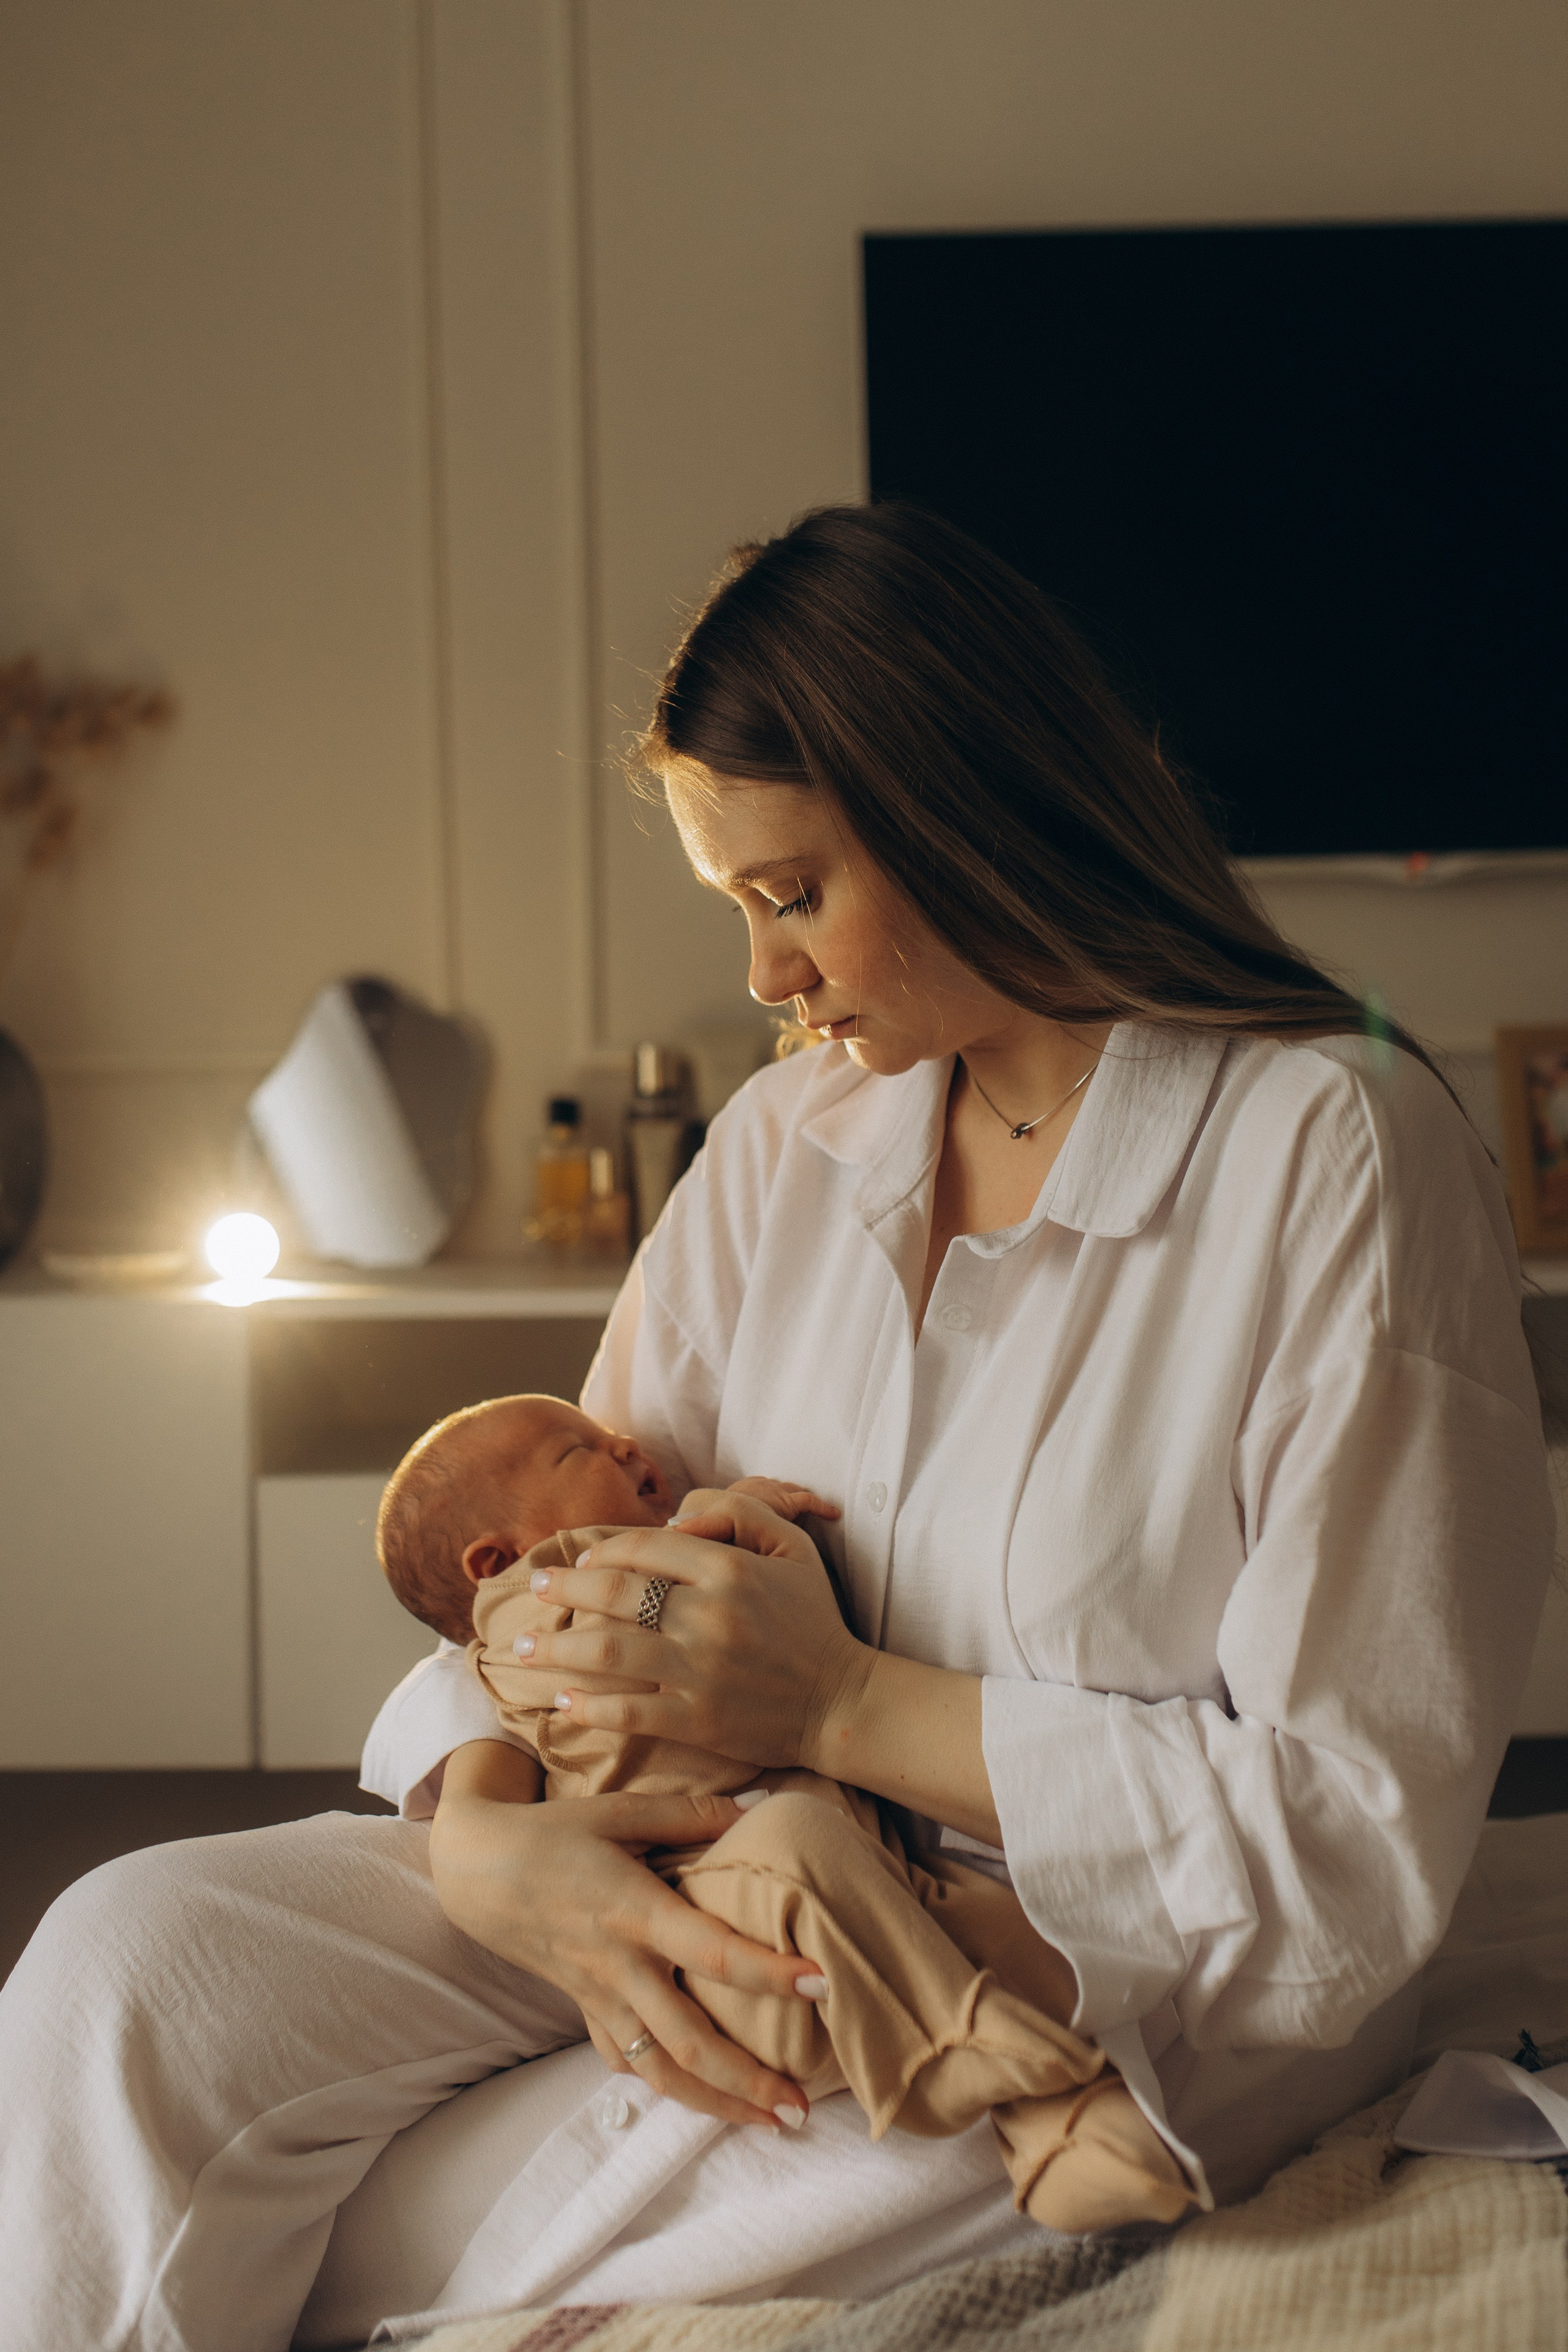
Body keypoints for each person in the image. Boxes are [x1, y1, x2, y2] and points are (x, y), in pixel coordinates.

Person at [0, 503, 1554, 2352]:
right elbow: (558, 1537)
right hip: (657, 1836)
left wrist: (840, 1708)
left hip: (1051, 1959)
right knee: (122, 1969)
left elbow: (1348, 1842)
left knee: (394, 2221)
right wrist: (493, 1830)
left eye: (791, 895)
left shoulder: (1335, 1156)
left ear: (977, 809)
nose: (765, 981)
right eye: (739, 908)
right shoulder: (787, 1145)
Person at [374, 1392, 1196, 2231]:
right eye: (575, 1451)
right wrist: (723, 1517)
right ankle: (970, 2065)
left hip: (857, 1888)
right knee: (794, 1838)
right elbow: (666, 1633)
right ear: (494, 1562)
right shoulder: (533, 1618)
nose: (623, 1442)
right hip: (718, 1931)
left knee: (1026, 1936)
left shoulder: (598, 1571)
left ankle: (1070, 2130)